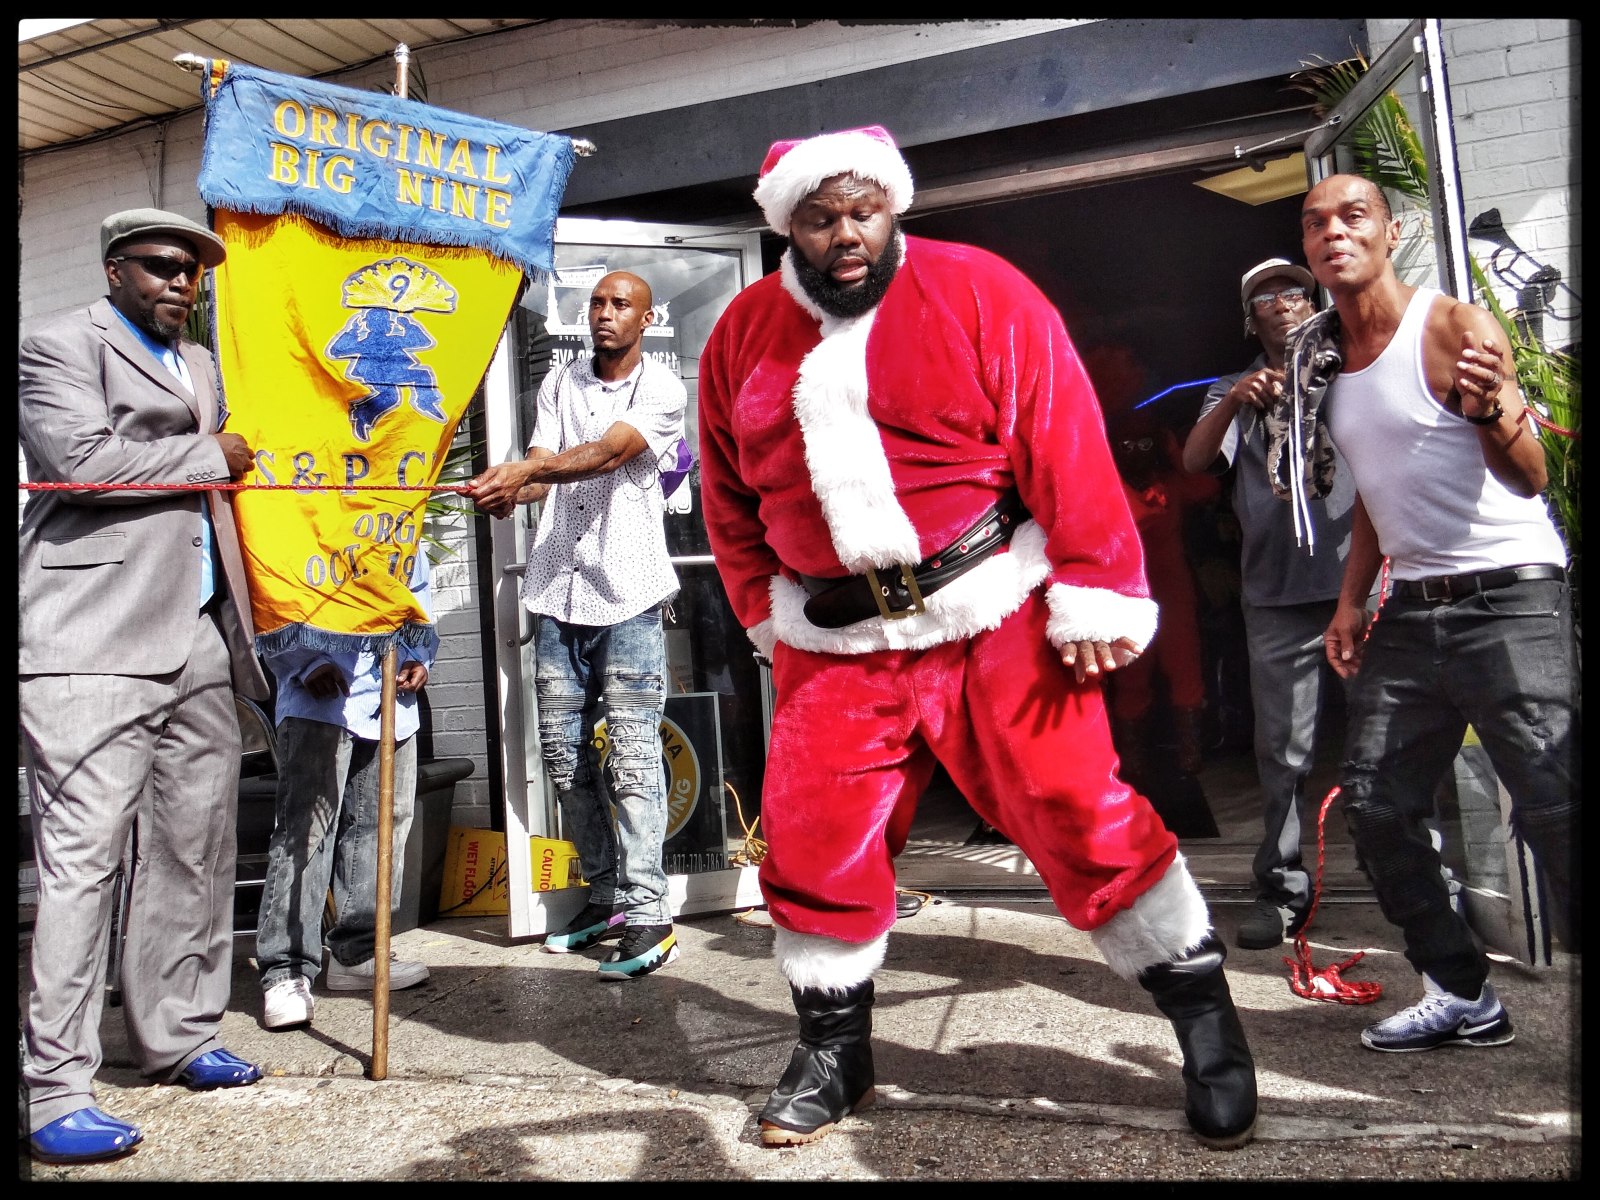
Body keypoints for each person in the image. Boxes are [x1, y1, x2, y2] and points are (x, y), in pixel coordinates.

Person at [696, 125, 1257, 1151]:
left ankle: (1207, 1026)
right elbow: (726, 498)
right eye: (820, 219)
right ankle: (833, 1051)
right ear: (788, 226)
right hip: (833, 639)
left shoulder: (979, 289)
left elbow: (1066, 442)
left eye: (862, 211)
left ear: (893, 206)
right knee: (814, 838)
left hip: (989, 609)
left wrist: (1094, 590)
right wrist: (758, 614)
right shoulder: (739, 332)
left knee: (1078, 812)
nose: (846, 235)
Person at [1290, 173, 1578, 1051]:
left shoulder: (1451, 326)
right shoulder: (1326, 360)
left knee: (1557, 805)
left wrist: (1492, 411)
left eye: (1352, 216)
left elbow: (1529, 474)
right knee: (1374, 804)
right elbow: (1381, 492)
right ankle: (1461, 990)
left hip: (1513, 598)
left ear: (1393, 230)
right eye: (1315, 223)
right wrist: (1351, 601)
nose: (1333, 233)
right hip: (1412, 608)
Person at [18, 208, 269, 1164]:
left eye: (195, 272)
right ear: (116, 268)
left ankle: (176, 1035)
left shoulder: (198, 365)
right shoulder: (54, 346)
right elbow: (79, 466)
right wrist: (212, 454)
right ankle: (54, 1090)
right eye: (164, 267)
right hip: (90, 642)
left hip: (200, 636)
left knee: (191, 850)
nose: (183, 284)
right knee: (83, 865)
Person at [466, 271, 686, 980]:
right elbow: (545, 461)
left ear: (646, 319)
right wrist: (511, 488)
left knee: (631, 758)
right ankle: (607, 895)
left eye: (620, 304)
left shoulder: (661, 390)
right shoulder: (562, 381)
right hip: (558, 591)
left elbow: (608, 453)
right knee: (564, 759)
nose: (604, 315)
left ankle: (650, 911)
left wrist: (530, 476)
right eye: (597, 303)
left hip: (628, 595)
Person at [1180, 257, 1355, 950]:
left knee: (1388, 747)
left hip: (1358, 588)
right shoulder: (1234, 387)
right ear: (1248, 319)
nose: (1283, 303)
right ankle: (1283, 890)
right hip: (1276, 597)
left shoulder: (1352, 369)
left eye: (1294, 291)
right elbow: (1195, 461)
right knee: (1283, 750)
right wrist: (1232, 402)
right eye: (1265, 298)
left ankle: (1415, 878)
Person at [255, 552, 437, 1030]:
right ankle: (285, 970)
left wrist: (420, 656)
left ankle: (358, 954)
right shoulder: (305, 504)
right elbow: (272, 588)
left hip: (389, 695)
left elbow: (415, 593)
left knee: (382, 827)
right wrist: (299, 658)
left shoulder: (394, 510)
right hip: (320, 691)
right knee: (306, 833)